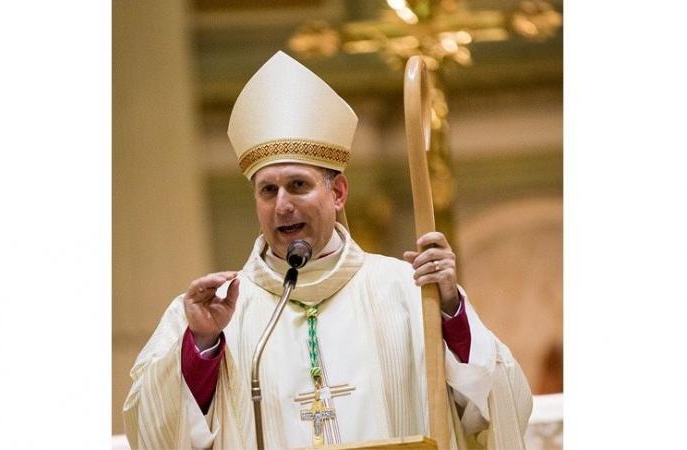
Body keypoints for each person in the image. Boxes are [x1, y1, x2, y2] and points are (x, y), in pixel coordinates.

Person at [123, 51, 532, 450]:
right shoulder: (214, 314)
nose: (282, 204)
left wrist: (448, 311)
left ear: (337, 193)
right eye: (268, 190)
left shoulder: (408, 292)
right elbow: (156, 432)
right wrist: (203, 346)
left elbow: (495, 405)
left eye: (298, 185)